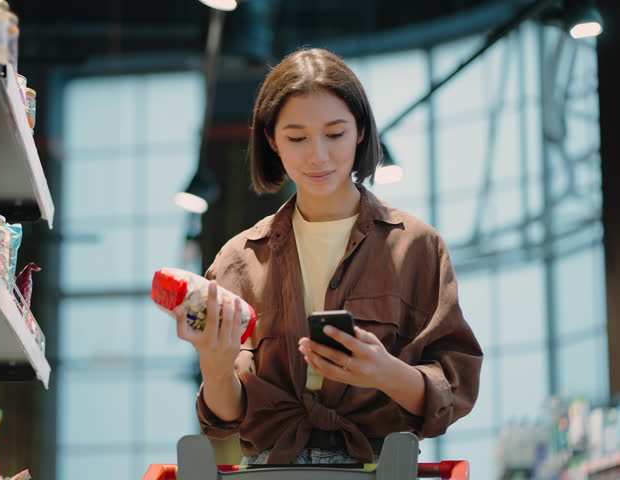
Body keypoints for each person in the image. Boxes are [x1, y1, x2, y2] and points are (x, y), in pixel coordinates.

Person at [174, 48, 483, 465]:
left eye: (335, 134)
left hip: (381, 468)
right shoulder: (238, 261)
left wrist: (384, 372)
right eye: (297, 138)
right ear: (272, 140)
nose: (317, 155)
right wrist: (214, 363)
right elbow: (226, 418)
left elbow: (456, 391)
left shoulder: (417, 248)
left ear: (360, 131)